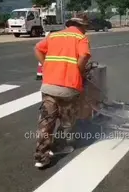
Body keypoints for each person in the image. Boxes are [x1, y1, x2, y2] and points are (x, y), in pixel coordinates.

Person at [33, 13, 91, 168]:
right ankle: (60, 145)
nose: (86, 30)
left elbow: (37, 48)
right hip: (69, 88)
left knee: (46, 121)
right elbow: (84, 55)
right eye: (85, 27)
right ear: (82, 26)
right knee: (67, 121)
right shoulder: (81, 38)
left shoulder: (53, 36)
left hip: (49, 86)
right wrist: (79, 71)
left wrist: (46, 65)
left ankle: (41, 156)